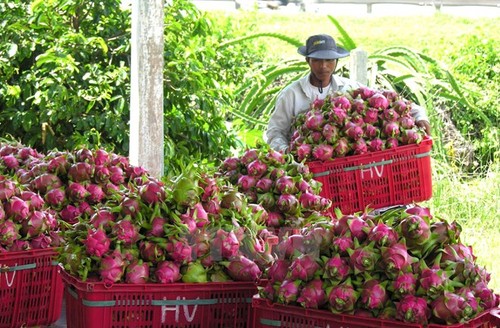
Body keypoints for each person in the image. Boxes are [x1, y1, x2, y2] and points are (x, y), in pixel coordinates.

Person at [264, 34, 431, 153]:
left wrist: (420, 115)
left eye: (329, 60)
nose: (324, 66)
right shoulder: (291, 94)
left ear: (336, 61)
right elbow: (274, 131)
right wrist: (287, 152)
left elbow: (386, 100)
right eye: (317, 60)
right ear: (308, 61)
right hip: (307, 166)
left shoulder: (350, 88)